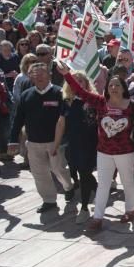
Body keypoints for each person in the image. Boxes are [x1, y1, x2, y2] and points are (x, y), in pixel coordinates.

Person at [57, 61, 134, 232]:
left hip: (126, 152)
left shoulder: (132, 106)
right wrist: (66, 75)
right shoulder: (100, 102)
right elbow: (81, 92)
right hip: (104, 152)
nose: (113, 88)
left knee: (128, 182)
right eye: (110, 85)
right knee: (103, 185)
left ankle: (130, 210)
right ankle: (97, 218)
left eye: (117, 85)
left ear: (123, 88)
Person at [8, 62, 73, 213]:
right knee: (40, 173)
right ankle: (49, 200)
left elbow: (65, 119)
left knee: (58, 169)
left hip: (55, 142)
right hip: (34, 142)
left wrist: (64, 140)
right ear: (30, 76)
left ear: (49, 75)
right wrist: (12, 140)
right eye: (35, 74)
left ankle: (68, 186)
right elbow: (18, 119)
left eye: (42, 73)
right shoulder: (26, 95)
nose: (39, 77)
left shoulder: (59, 93)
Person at [55, 70, 99, 224]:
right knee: (80, 173)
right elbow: (61, 124)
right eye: (74, 81)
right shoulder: (67, 101)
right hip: (73, 144)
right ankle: (100, 192)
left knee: (85, 174)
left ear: (86, 83)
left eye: (81, 81)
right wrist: (56, 145)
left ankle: (85, 207)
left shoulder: (93, 101)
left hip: (90, 144)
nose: (77, 84)